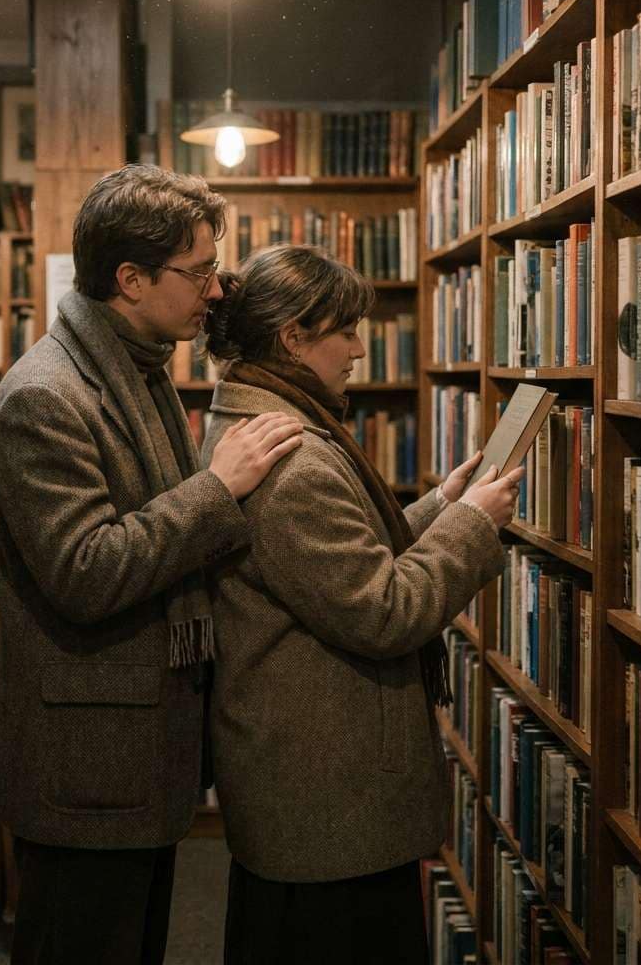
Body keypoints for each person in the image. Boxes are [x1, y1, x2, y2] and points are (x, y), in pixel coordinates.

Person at [0, 165, 303, 965]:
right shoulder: (47, 397)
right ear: (130, 278)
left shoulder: (140, 369)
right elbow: (85, 570)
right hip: (86, 769)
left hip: (134, 757)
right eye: (199, 272)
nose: (218, 293)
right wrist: (218, 489)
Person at [200, 244, 523, 964]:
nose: (358, 346)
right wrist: (474, 524)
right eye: (345, 329)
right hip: (324, 795)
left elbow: (342, 563)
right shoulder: (291, 457)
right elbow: (383, 610)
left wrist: (443, 504)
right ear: (294, 338)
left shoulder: (276, 418)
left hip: (312, 781)